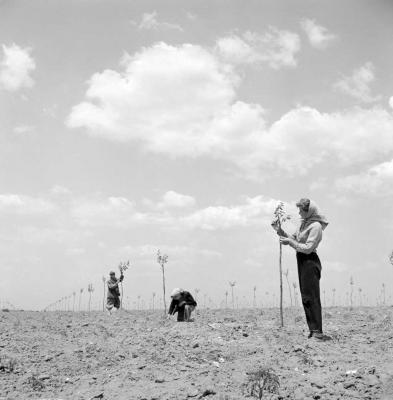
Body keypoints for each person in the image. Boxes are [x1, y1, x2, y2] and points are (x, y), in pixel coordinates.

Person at [272, 198, 330, 340]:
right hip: (302, 260)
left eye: (300, 210)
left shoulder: (315, 226)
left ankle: (317, 331)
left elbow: (308, 248)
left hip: (310, 261)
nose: (298, 212)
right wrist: (280, 231)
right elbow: (292, 239)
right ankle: (313, 330)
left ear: (308, 211)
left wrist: (291, 242)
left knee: (312, 297)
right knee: (306, 297)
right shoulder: (303, 224)